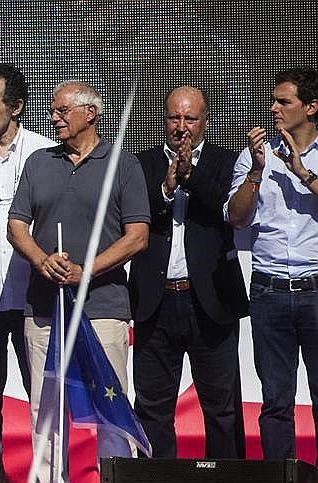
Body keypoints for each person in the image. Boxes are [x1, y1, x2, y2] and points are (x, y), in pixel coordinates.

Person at [7, 80, 149, 482]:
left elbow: (137, 235)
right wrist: (40, 260)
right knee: (46, 408)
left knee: (110, 405)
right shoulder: (39, 162)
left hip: (102, 308)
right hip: (44, 309)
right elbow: (16, 225)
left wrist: (87, 271)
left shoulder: (123, 163)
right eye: (53, 111)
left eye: (61, 111)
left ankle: (114, 476)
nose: (53, 118)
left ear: (91, 113)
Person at [128, 86, 248, 458]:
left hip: (209, 300)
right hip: (156, 300)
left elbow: (229, 213)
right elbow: (132, 218)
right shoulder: (142, 163)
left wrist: (189, 176)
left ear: (206, 123)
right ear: (164, 121)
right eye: (174, 118)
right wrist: (166, 188)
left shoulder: (226, 162)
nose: (182, 127)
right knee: (152, 406)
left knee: (221, 407)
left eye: (190, 119)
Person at [226, 67, 318, 462]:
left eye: (285, 101)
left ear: (311, 107)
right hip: (268, 290)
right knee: (276, 400)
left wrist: (303, 173)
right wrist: (257, 173)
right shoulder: (254, 155)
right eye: (274, 100)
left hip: (315, 287)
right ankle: (283, 474)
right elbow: (237, 217)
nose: (274, 108)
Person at [0, 62, 56, 448]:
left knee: (44, 398)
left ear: (15, 107)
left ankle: (47, 473)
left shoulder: (44, 153)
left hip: (33, 295)